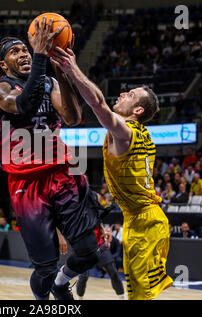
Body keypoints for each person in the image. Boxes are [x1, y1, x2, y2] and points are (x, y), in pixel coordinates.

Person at [0, 20, 104, 300]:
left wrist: (61, 72)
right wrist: (40, 56)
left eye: (25, 49)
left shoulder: (47, 80)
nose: (24, 53)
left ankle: (62, 285)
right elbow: (23, 105)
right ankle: (44, 299)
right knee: (45, 267)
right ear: (4, 65)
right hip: (26, 183)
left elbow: (73, 118)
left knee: (89, 253)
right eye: (15, 52)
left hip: (63, 173)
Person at [50, 46, 173, 299]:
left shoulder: (126, 132)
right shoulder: (134, 134)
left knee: (139, 295)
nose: (122, 93)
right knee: (136, 292)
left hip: (146, 221)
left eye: (130, 95)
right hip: (139, 219)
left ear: (138, 111)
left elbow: (97, 103)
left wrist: (72, 70)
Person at [74, 224, 126, 300]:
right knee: (83, 276)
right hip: (84, 247)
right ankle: (79, 298)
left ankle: (122, 298)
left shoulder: (95, 213)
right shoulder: (76, 216)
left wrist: (103, 231)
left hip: (100, 245)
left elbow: (98, 220)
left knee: (113, 272)